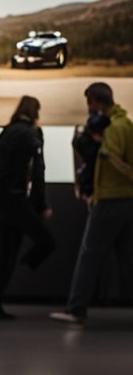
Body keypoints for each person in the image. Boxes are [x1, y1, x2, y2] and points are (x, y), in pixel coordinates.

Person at [51, 82, 133, 325]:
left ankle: (76, 309)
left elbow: (111, 161)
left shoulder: (113, 129)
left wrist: (102, 149)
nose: (90, 109)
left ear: (97, 103)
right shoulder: (126, 125)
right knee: (128, 259)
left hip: (109, 200)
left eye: (90, 104)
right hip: (127, 200)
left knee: (90, 256)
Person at [0, 95, 55, 319]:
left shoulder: (7, 131)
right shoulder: (33, 134)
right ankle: (29, 263)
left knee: (5, 254)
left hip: (1, 200)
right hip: (17, 201)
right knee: (46, 242)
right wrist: (42, 204)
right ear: (36, 112)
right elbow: (38, 171)